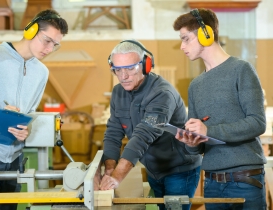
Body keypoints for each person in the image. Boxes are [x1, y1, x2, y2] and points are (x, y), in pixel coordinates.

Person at [0, 9, 68, 210]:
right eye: (47, 41)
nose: (49, 49)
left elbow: (29, 112)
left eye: (56, 45)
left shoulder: (41, 72)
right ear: (30, 31)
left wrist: (25, 131)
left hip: (15, 158)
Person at [173, 8, 267, 210]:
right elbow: (199, 147)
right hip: (212, 183)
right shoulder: (195, 85)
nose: (182, 46)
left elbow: (258, 122)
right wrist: (190, 142)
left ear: (205, 35)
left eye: (186, 39)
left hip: (245, 182)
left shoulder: (241, 70)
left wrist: (209, 131)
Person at [99, 39, 202, 210]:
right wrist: (109, 169)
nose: (123, 76)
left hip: (179, 169)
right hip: (154, 169)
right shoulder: (119, 92)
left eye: (130, 68)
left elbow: (143, 136)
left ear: (146, 65)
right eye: (117, 70)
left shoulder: (162, 93)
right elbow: (113, 132)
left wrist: (116, 177)